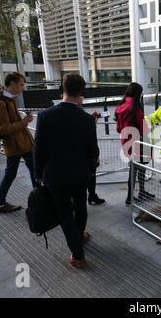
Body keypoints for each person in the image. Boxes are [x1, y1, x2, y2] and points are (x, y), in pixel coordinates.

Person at [33, 73, 99, 268]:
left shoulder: (45, 115)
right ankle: (79, 238)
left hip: (55, 175)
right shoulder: (87, 119)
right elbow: (92, 150)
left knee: (65, 215)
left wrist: (37, 173)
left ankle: (78, 254)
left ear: (62, 89)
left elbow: (39, 149)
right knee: (80, 208)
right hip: (80, 174)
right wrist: (91, 170)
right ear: (81, 91)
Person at [0, 72, 36, 213]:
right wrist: (23, 122)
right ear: (12, 84)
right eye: (21, 85)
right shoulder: (0, 103)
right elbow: (1, 129)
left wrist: (23, 123)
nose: (22, 88)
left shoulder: (9, 100)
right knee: (12, 174)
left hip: (23, 144)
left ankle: (40, 200)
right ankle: (0, 203)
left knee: (35, 171)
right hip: (15, 146)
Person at [115, 82, 155, 205]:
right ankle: (130, 198)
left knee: (134, 170)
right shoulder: (135, 108)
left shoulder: (120, 107)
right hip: (138, 143)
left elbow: (118, 128)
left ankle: (137, 194)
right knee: (139, 170)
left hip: (127, 143)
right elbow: (143, 129)